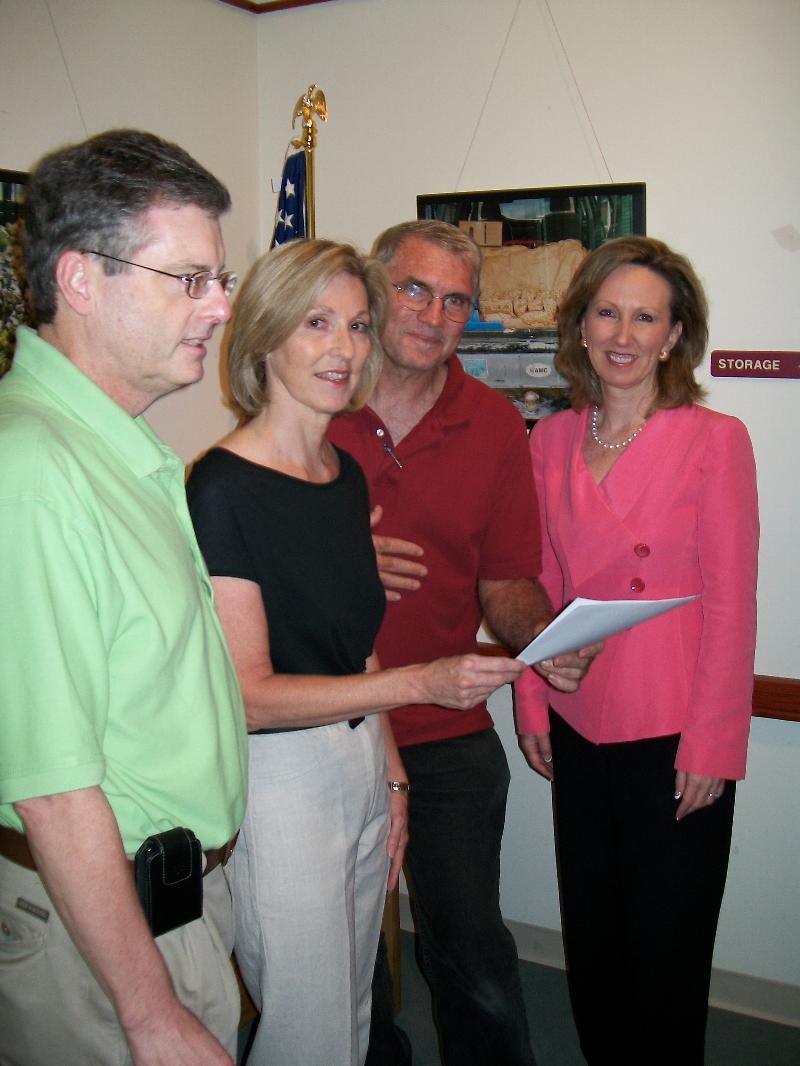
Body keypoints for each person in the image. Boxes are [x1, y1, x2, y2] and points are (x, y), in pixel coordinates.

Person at [185, 238, 527, 1066]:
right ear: (264, 336)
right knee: (309, 1028)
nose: (343, 349)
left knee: (355, 1011)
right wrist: (425, 682)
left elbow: (359, 647)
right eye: (316, 324)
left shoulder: (340, 474)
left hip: (362, 763)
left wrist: (393, 775)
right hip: (281, 781)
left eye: (357, 326)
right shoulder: (221, 487)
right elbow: (249, 696)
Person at [0, 130, 248, 1065]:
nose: (220, 308)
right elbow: (53, 787)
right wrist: (150, 1014)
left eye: (218, 279)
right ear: (81, 278)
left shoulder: (114, 447)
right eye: (189, 279)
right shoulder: (33, 467)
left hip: (162, 909)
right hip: (98, 939)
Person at [328, 220, 598, 1066]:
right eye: (415, 289)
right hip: (319, 726)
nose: (433, 314)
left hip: (444, 729)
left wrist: (547, 635)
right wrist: (331, 550)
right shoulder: (316, 392)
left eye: (455, 300)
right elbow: (238, 546)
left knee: (471, 951)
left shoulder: (491, 425)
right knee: (338, 961)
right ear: (375, 287)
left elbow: (506, 583)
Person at [514, 235, 759, 1066]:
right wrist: (532, 696)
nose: (624, 334)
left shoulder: (713, 439)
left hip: (674, 735)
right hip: (581, 724)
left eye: (645, 317)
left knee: (666, 952)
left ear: (675, 336)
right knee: (595, 942)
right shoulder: (548, 441)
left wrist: (716, 743)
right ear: (580, 326)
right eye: (607, 312)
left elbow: (731, 605)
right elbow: (539, 583)